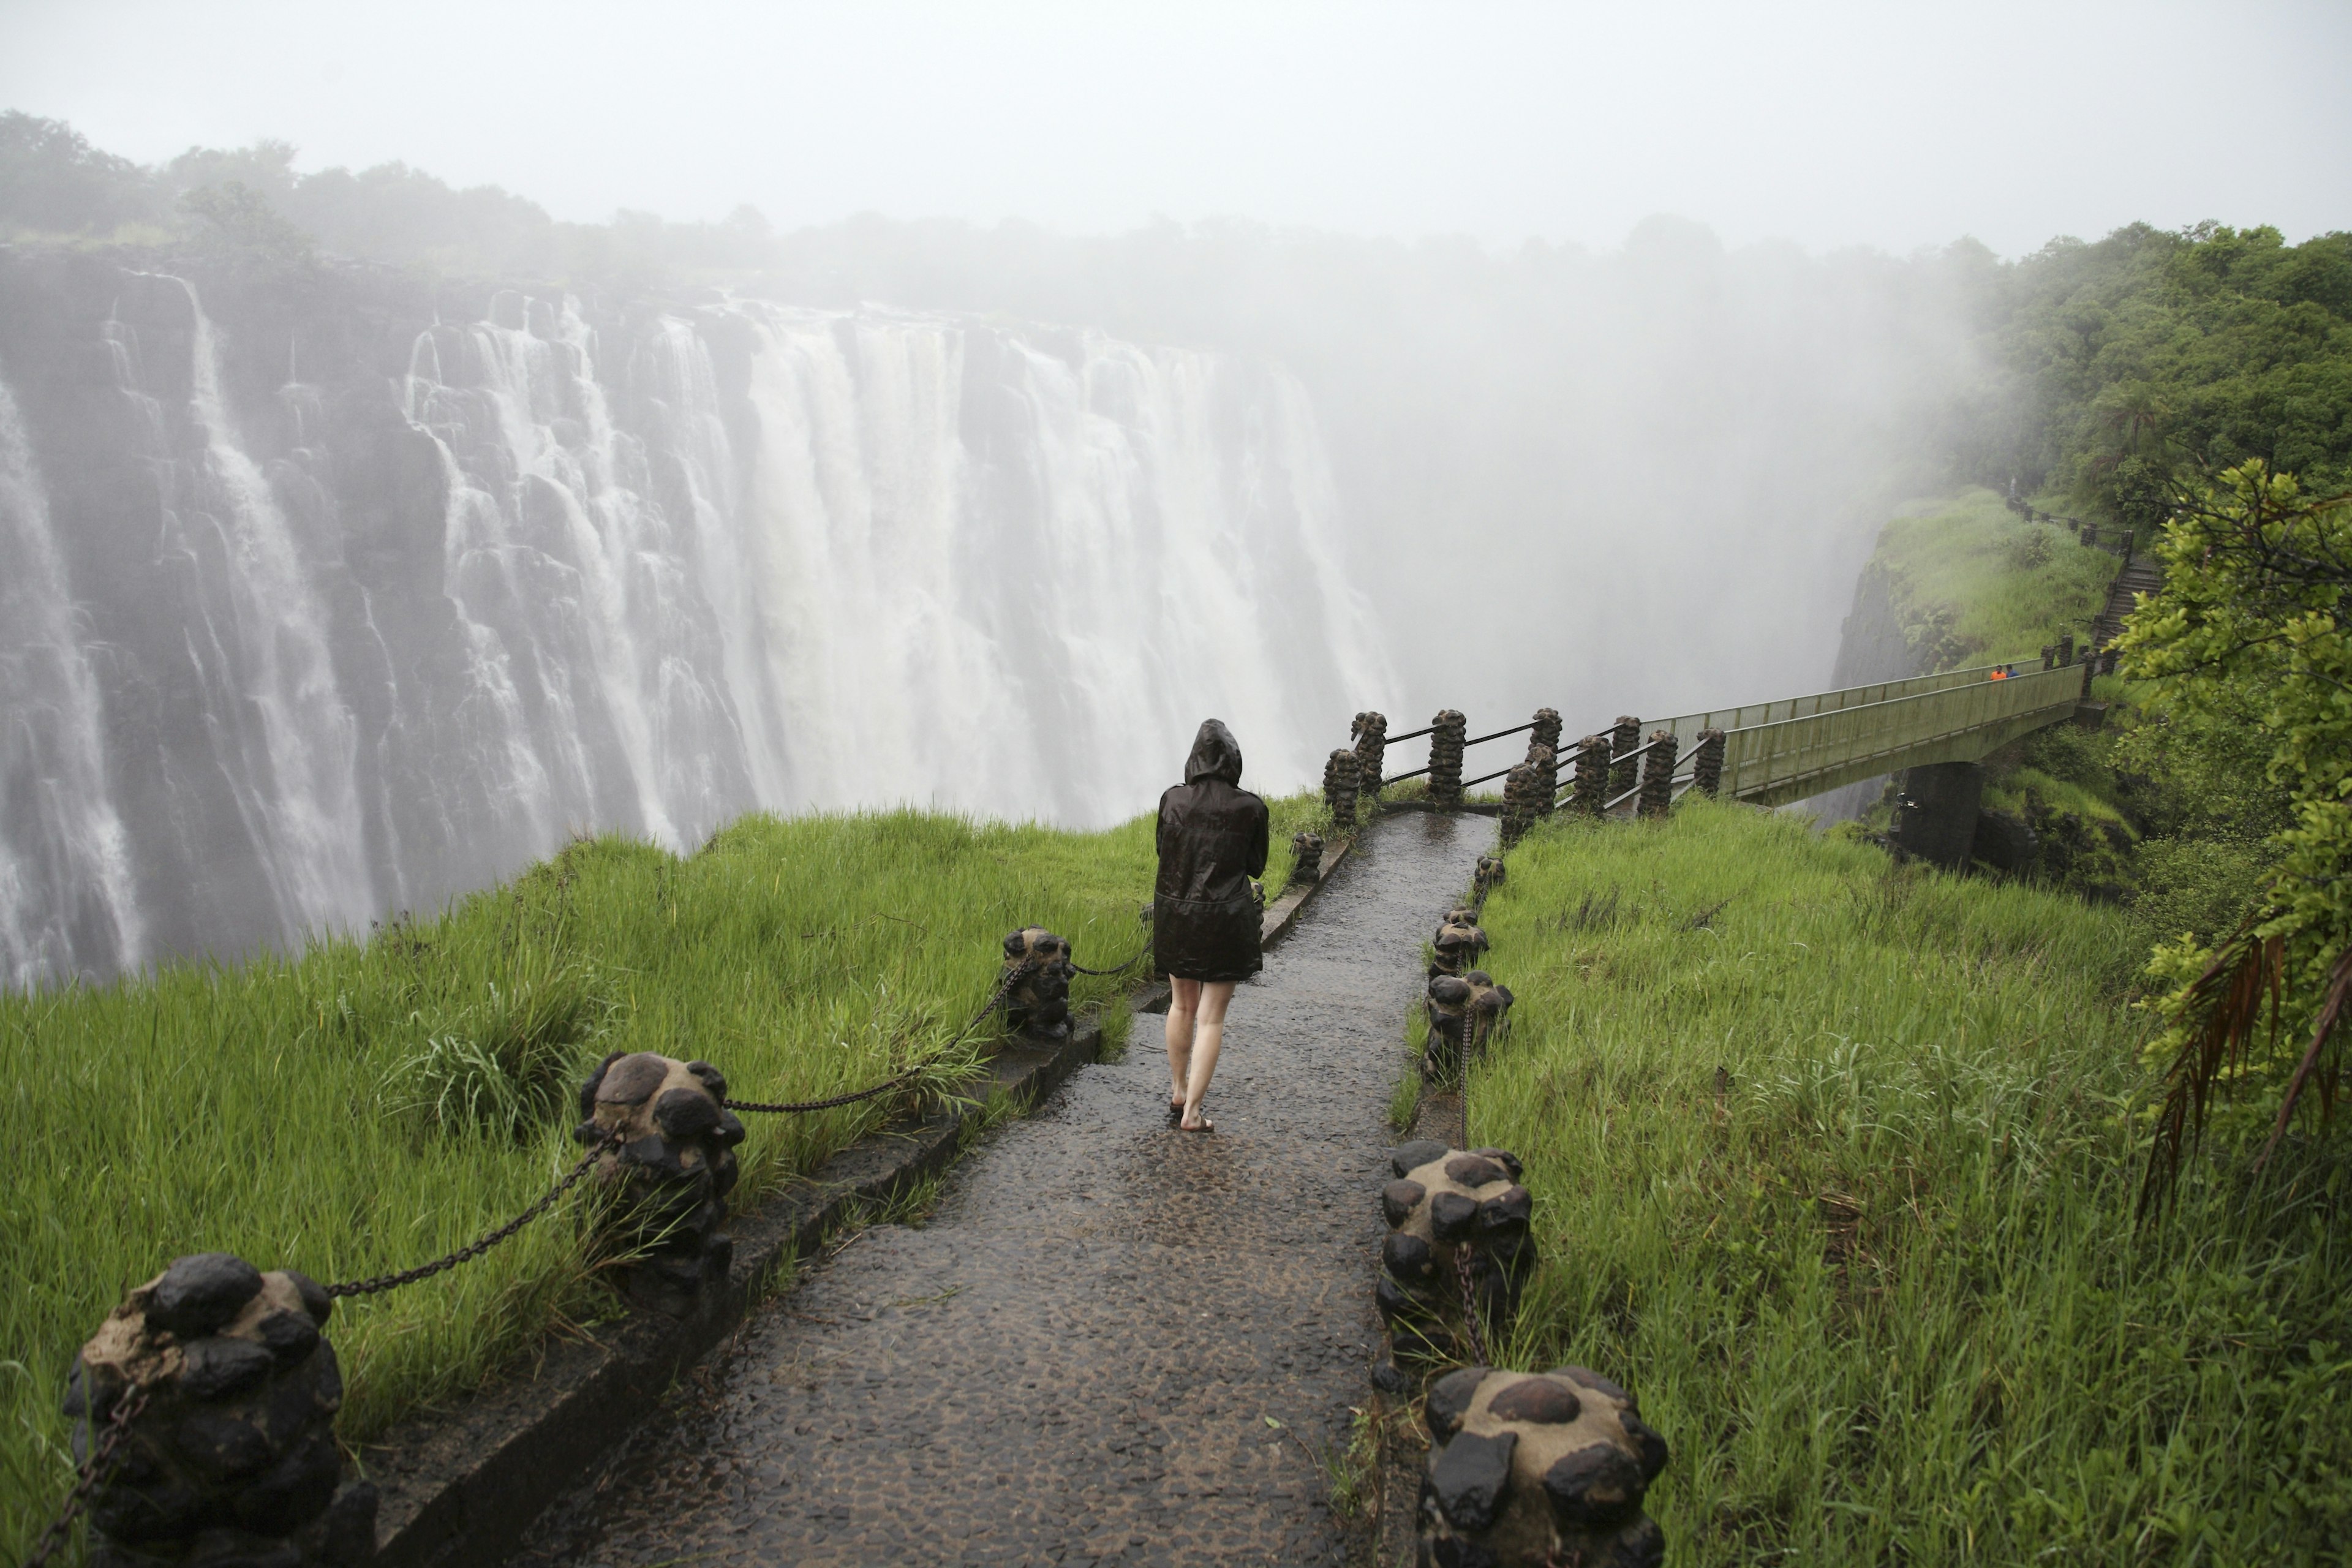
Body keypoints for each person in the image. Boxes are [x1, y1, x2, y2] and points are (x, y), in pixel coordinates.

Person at [1154, 719, 1268, 1132]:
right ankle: (1194, 1114)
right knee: (1212, 1017)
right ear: (1233, 761)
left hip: (1178, 916)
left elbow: (1163, 853)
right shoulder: (1251, 807)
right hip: (1226, 920)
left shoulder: (1173, 800)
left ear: (1194, 759)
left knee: (1180, 1004)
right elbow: (1256, 865)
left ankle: (1178, 1089)